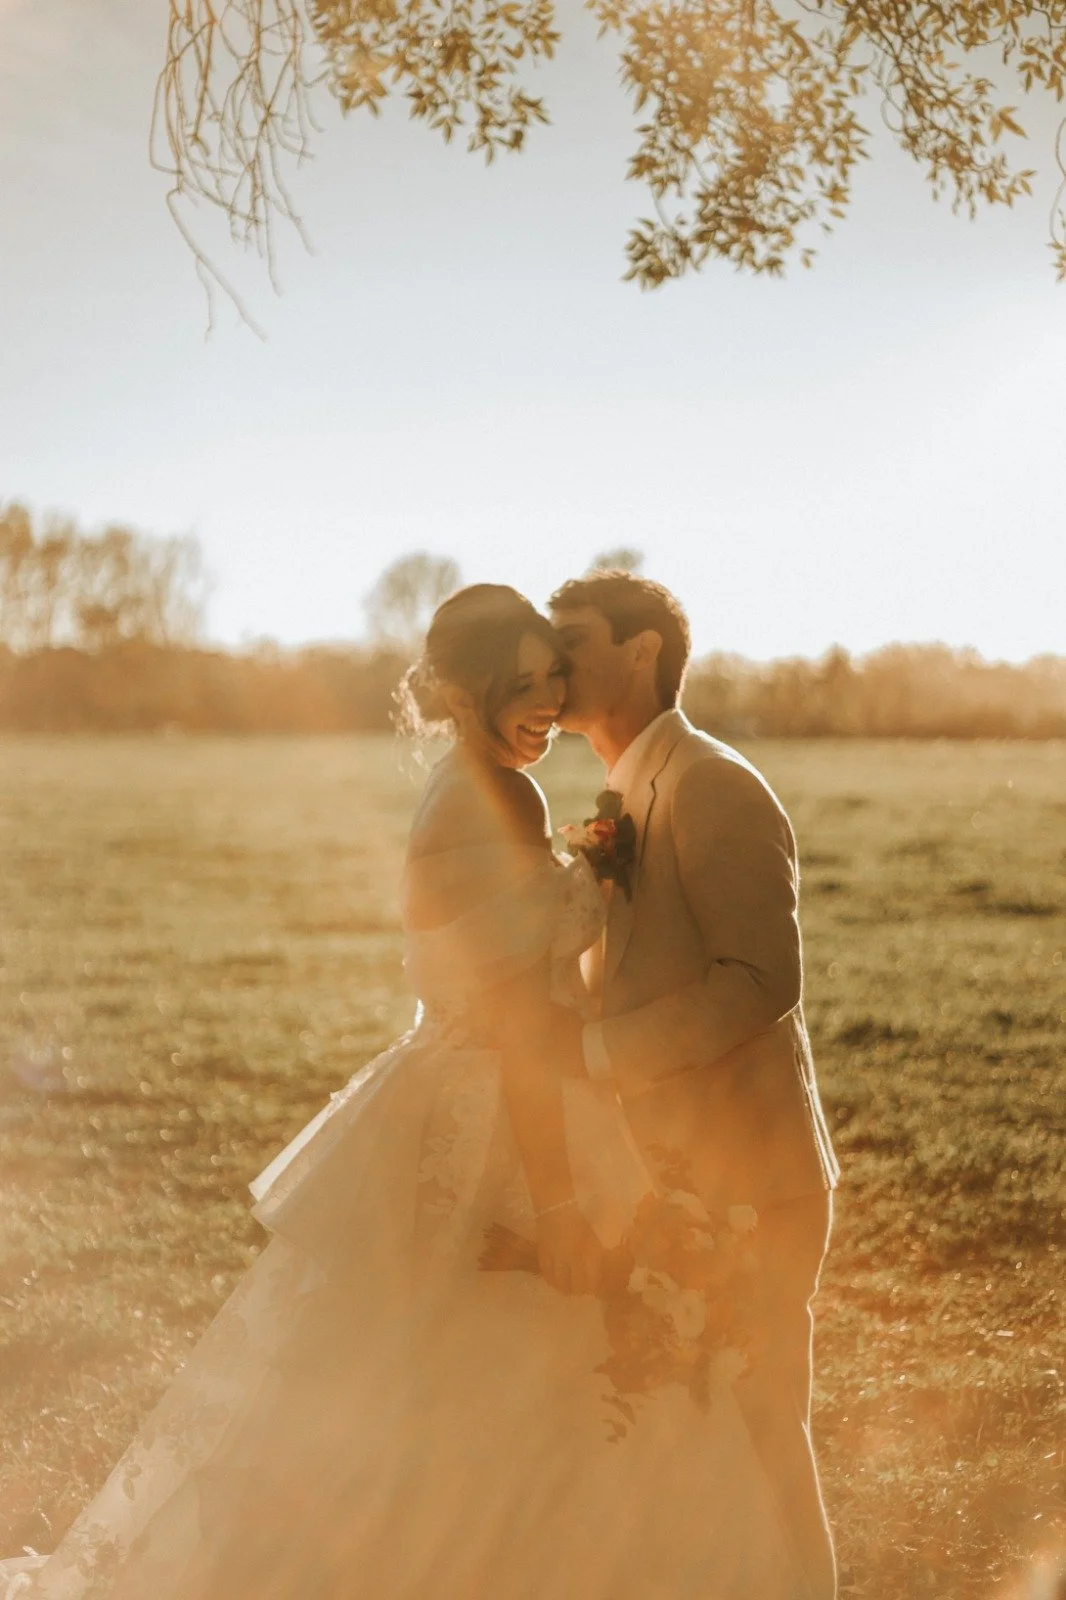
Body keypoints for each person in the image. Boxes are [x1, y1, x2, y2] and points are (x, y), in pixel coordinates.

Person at [2, 583, 803, 1600]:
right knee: (522, 1386)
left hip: (466, 1094)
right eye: (522, 682)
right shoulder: (502, 796)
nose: (548, 700)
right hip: (505, 1113)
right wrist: (555, 1200)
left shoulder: (467, 782)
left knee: (426, 1384)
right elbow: (520, 1024)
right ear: (463, 691)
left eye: (554, 674)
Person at [548, 569, 841, 1600]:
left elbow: (761, 979)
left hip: (748, 1177)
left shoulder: (712, 781)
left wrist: (590, 1058)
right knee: (683, 1447)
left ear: (641, 653)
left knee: (760, 1440)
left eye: (572, 638)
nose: (550, 659)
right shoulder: (622, 789)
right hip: (660, 1172)